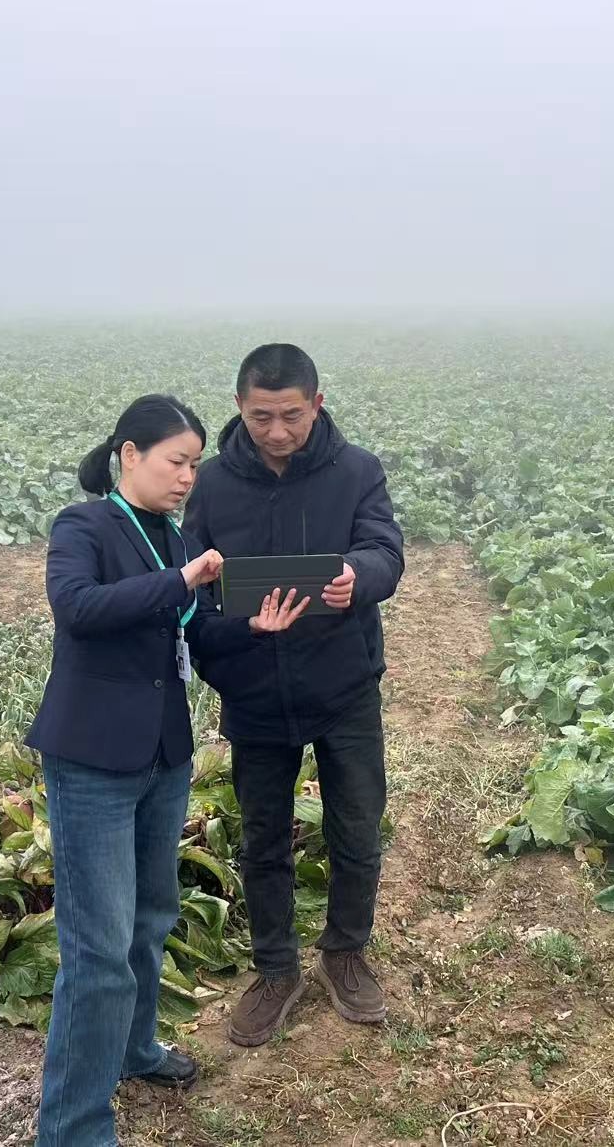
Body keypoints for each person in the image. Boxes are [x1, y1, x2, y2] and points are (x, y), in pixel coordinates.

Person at [25, 393, 309, 1147]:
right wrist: (183, 582)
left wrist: (252, 628)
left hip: (162, 757)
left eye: (194, 465)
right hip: (93, 761)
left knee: (150, 920)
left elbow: (198, 637)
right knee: (98, 953)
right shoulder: (84, 526)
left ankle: (135, 1048)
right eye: (176, 462)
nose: (188, 477)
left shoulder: (175, 537)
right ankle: (74, 1129)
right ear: (130, 455)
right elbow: (79, 609)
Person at [181, 344, 405, 1048]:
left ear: (317, 403)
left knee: (356, 826)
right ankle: (276, 969)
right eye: (260, 417)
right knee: (263, 837)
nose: (276, 432)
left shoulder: (357, 470)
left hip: (343, 683)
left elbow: (386, 550)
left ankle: (345, 953)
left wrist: (357, 576)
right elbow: (193, 589)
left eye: (290, 416)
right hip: (255, 687)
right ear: (239, 407)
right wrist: (235, 636)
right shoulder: (213, 485)